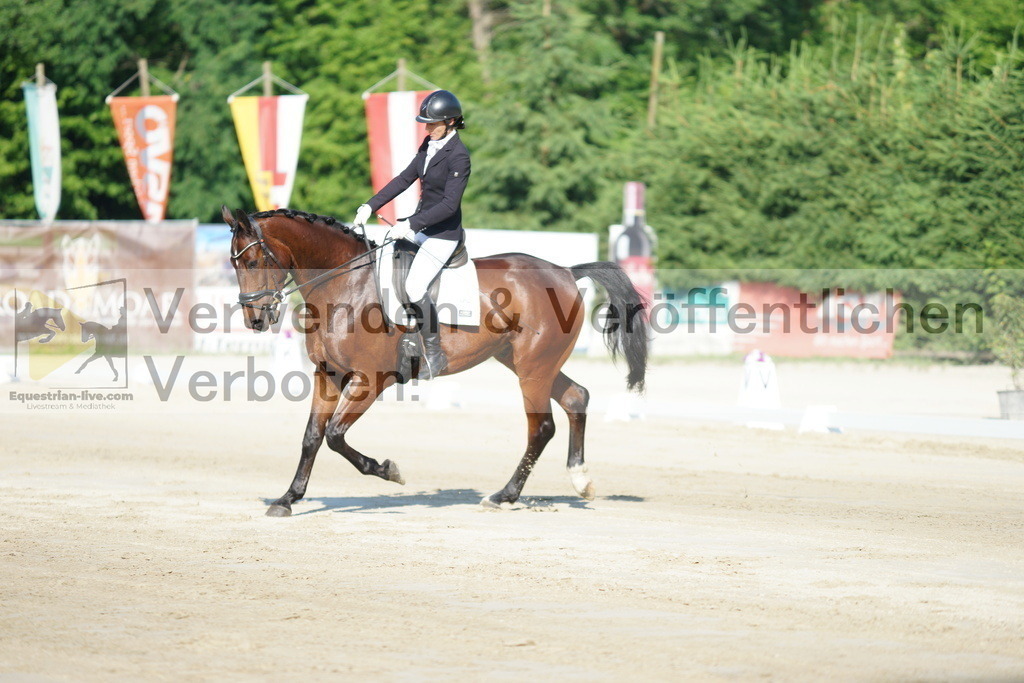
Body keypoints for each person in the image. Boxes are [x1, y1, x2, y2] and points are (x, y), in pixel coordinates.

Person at [353, 89, 470, 379]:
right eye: (425, 124)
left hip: (443, 235)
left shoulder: (459, 156)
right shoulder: (428, 145)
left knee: (415, 287)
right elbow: (405, 178)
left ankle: (434, 354)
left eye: (432, 123)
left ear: (451, 122)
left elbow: (448, 205)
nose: (426, 128)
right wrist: (370, 204)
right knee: (383, 264)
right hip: (420, 227)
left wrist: (412, 224)